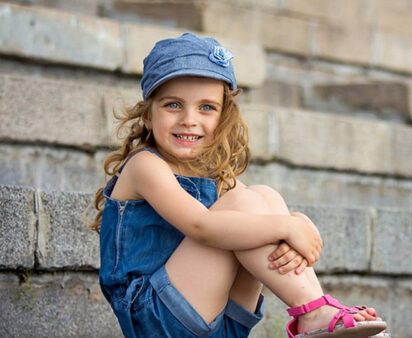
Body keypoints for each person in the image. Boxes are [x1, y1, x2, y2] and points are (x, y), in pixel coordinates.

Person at [90, 32, 388, 338]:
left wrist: (298, 222)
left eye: (206, 107)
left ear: (223, 118)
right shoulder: (145, 166)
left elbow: (258, 214)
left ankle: (315, 309)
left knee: (262, 196)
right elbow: (201, 226)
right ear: (148, 116)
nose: (189, 119)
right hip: (157, 320)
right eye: (173, 105)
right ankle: (313, 313)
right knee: (246, 205)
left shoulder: (218, 178)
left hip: (222, 323)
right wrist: (286, 228)